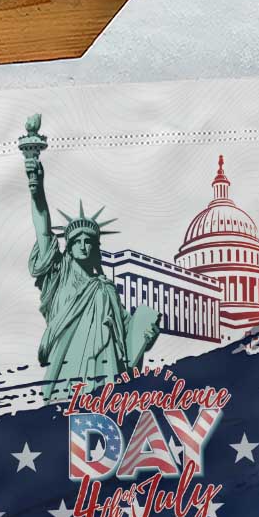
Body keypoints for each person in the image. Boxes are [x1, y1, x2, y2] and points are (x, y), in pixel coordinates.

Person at [26, 155, 160, 403]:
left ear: (95, 247)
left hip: (106, 369)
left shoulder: (106, 289)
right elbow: (43, 231)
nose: (83, 246)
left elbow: (125, 334)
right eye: (77, 241)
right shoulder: (59, 275)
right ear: (69, 246)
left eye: (89, 241)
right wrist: (37, 192)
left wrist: (145, 333)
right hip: (68, 367)